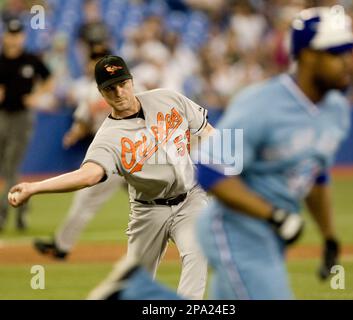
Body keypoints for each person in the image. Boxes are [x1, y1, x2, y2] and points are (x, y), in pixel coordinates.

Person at [85, 6, 353, 300]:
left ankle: (136, 290)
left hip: (270, 234)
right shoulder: (261, 105)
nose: (349, 62)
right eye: (336, 53)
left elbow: (315, 174)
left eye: (349, 51)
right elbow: (211, 168)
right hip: (235, 229)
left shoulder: (336, 111)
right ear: (307, 56)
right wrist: (274, 214)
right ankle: (136, 289)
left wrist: (328, 235)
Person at [8, 54, 213, 300]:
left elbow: (207, 132)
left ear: (132, 81)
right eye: (110, 88)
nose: (118, 92)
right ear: (101, 93)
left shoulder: (168, 98)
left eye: (122, 83)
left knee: (198, 253)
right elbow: (88, 176)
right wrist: (34, 188)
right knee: (134, 285)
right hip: (148, 211)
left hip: (191, 199)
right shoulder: (107, 138)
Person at [33, 51, 126, 259]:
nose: (90, 66)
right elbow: (83, 121)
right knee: (154, 201)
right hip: (113, 155)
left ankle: (62, 245)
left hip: (127, 153)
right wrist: (74, 134)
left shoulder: (126, 85)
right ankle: (61, 244)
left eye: (95, 62)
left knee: (156, 200)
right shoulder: (92, 92)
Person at [0, 17, 54, 231]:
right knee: (7, 167)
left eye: (17, 35)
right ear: (5, 36)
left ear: (22, 37)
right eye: (11, 35)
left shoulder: (31, 60)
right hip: (2, 116)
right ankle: (22, 209)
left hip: (22, 118)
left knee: (12, 166)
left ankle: (3, 213)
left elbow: (49, 79)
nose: (14, 39)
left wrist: (36, 95)